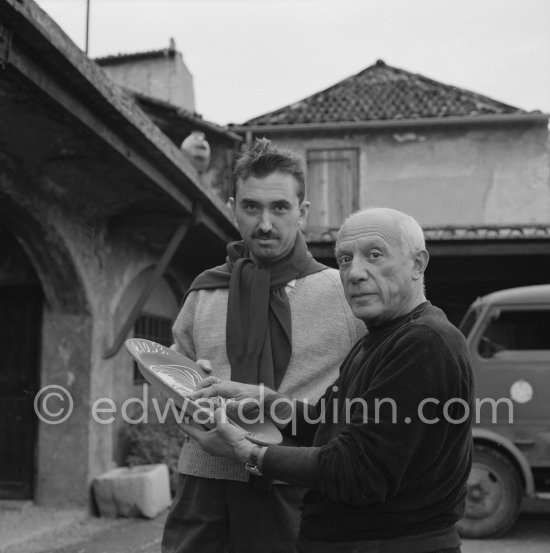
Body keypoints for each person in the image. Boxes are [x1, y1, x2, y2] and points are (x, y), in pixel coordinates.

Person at [185, 207, 474, 553]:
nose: (354, 273)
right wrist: (266, 401)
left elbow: (355, 469)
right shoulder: (382, 337)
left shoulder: (423, 343)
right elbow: (330, 424)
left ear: (417, 263)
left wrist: (246, 452)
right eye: (345, 259)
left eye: (375, 255)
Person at [161, 139, 365, 553]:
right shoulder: (205, 292)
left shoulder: (344, 295)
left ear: (302, 213)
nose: (265, 224)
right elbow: (170, 379)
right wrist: (184, 387)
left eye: (280, 208)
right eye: (252, 208)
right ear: (234, 208)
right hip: (206, 481)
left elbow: (368, 394)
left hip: (293, 485)